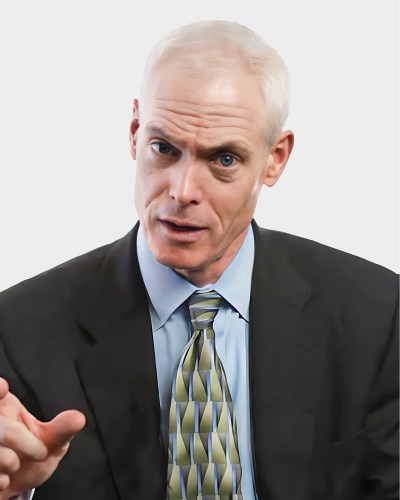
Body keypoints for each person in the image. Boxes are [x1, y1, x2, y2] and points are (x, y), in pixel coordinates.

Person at [0, 19, 398, 500]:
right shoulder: (19, 330)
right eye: (163, 148)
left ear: (275, 159)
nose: (182, 191)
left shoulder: (376, 315)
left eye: (224, 159)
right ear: (133, 133)